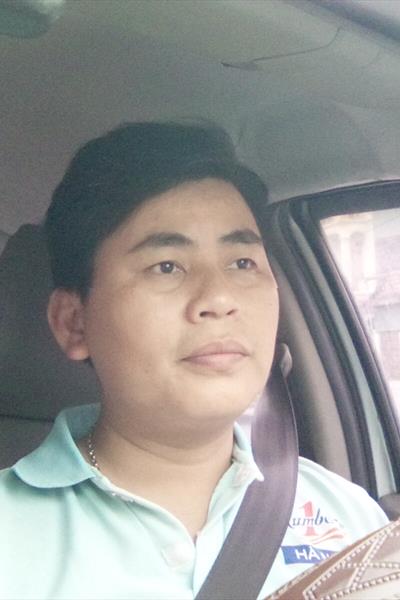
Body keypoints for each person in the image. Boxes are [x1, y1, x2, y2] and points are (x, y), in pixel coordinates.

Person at [0, 122, 388, 599]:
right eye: (166, 266)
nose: (219, 298)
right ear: (74, 323)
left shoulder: (352, 519)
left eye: (242, 263)